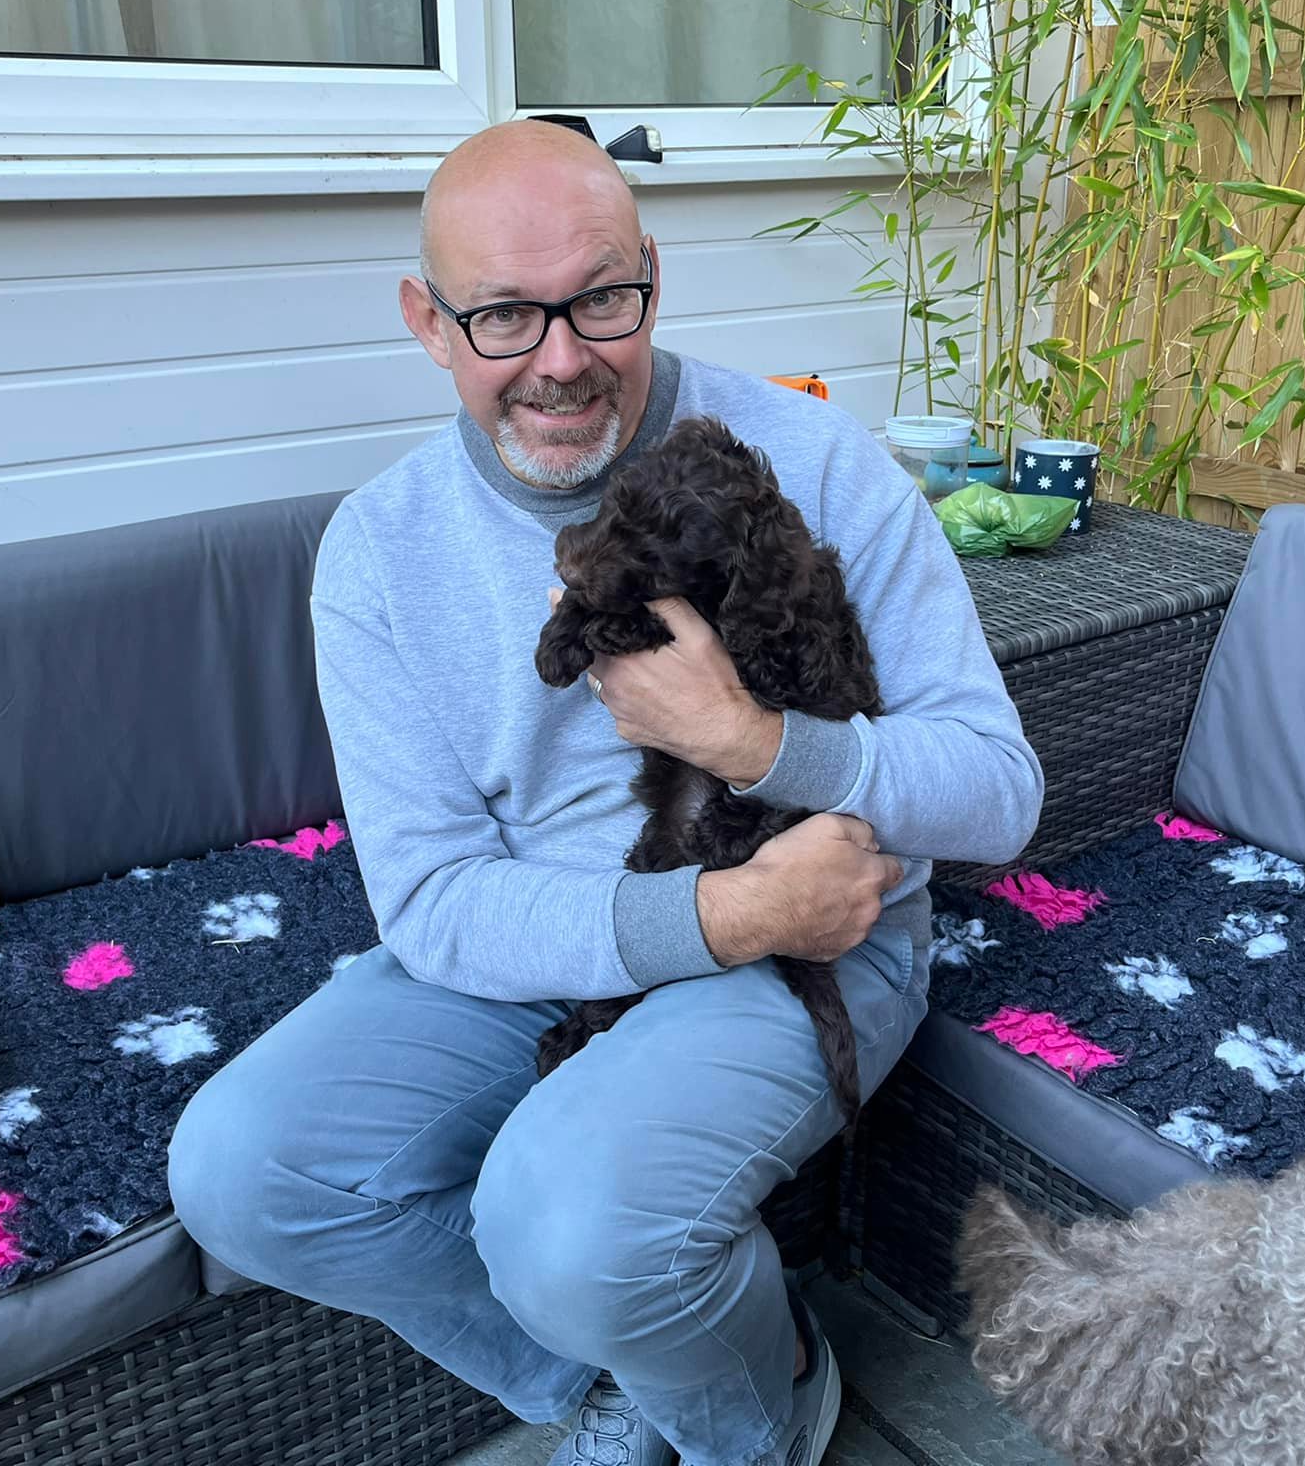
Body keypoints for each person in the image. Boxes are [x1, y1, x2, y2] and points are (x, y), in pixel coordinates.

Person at [168, 120, 1043, 1466]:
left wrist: (761, 745)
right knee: (241, 1167)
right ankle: (621, 1380)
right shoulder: (380, 551)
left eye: (601, 300)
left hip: (822, 926)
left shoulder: (815, 459)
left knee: (564, 1224)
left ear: (652, 275)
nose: (563, 358)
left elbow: (997, 795)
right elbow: (435, 900)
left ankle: (761, 1411)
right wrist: (725, 914)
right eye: (506, 315)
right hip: (582, 934)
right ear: (428, 319)